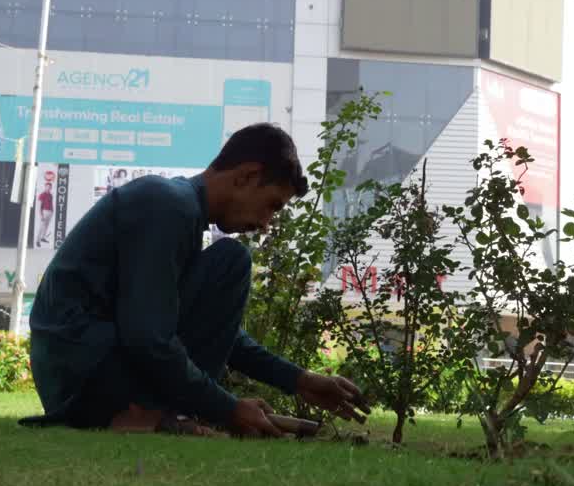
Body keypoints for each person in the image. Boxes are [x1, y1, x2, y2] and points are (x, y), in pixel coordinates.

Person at [20, 123, 368, 437]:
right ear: (246, 176)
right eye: (271, 206)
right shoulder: (169, 206)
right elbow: (148, 337)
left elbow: (212, 331)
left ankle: (151, 411)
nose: (266, 224)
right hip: (84, 372)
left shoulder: (179, 211)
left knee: (227, 263)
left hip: (81, 371)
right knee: (232, 261)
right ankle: (138, 414)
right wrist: (227, 408)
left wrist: (298, 380)